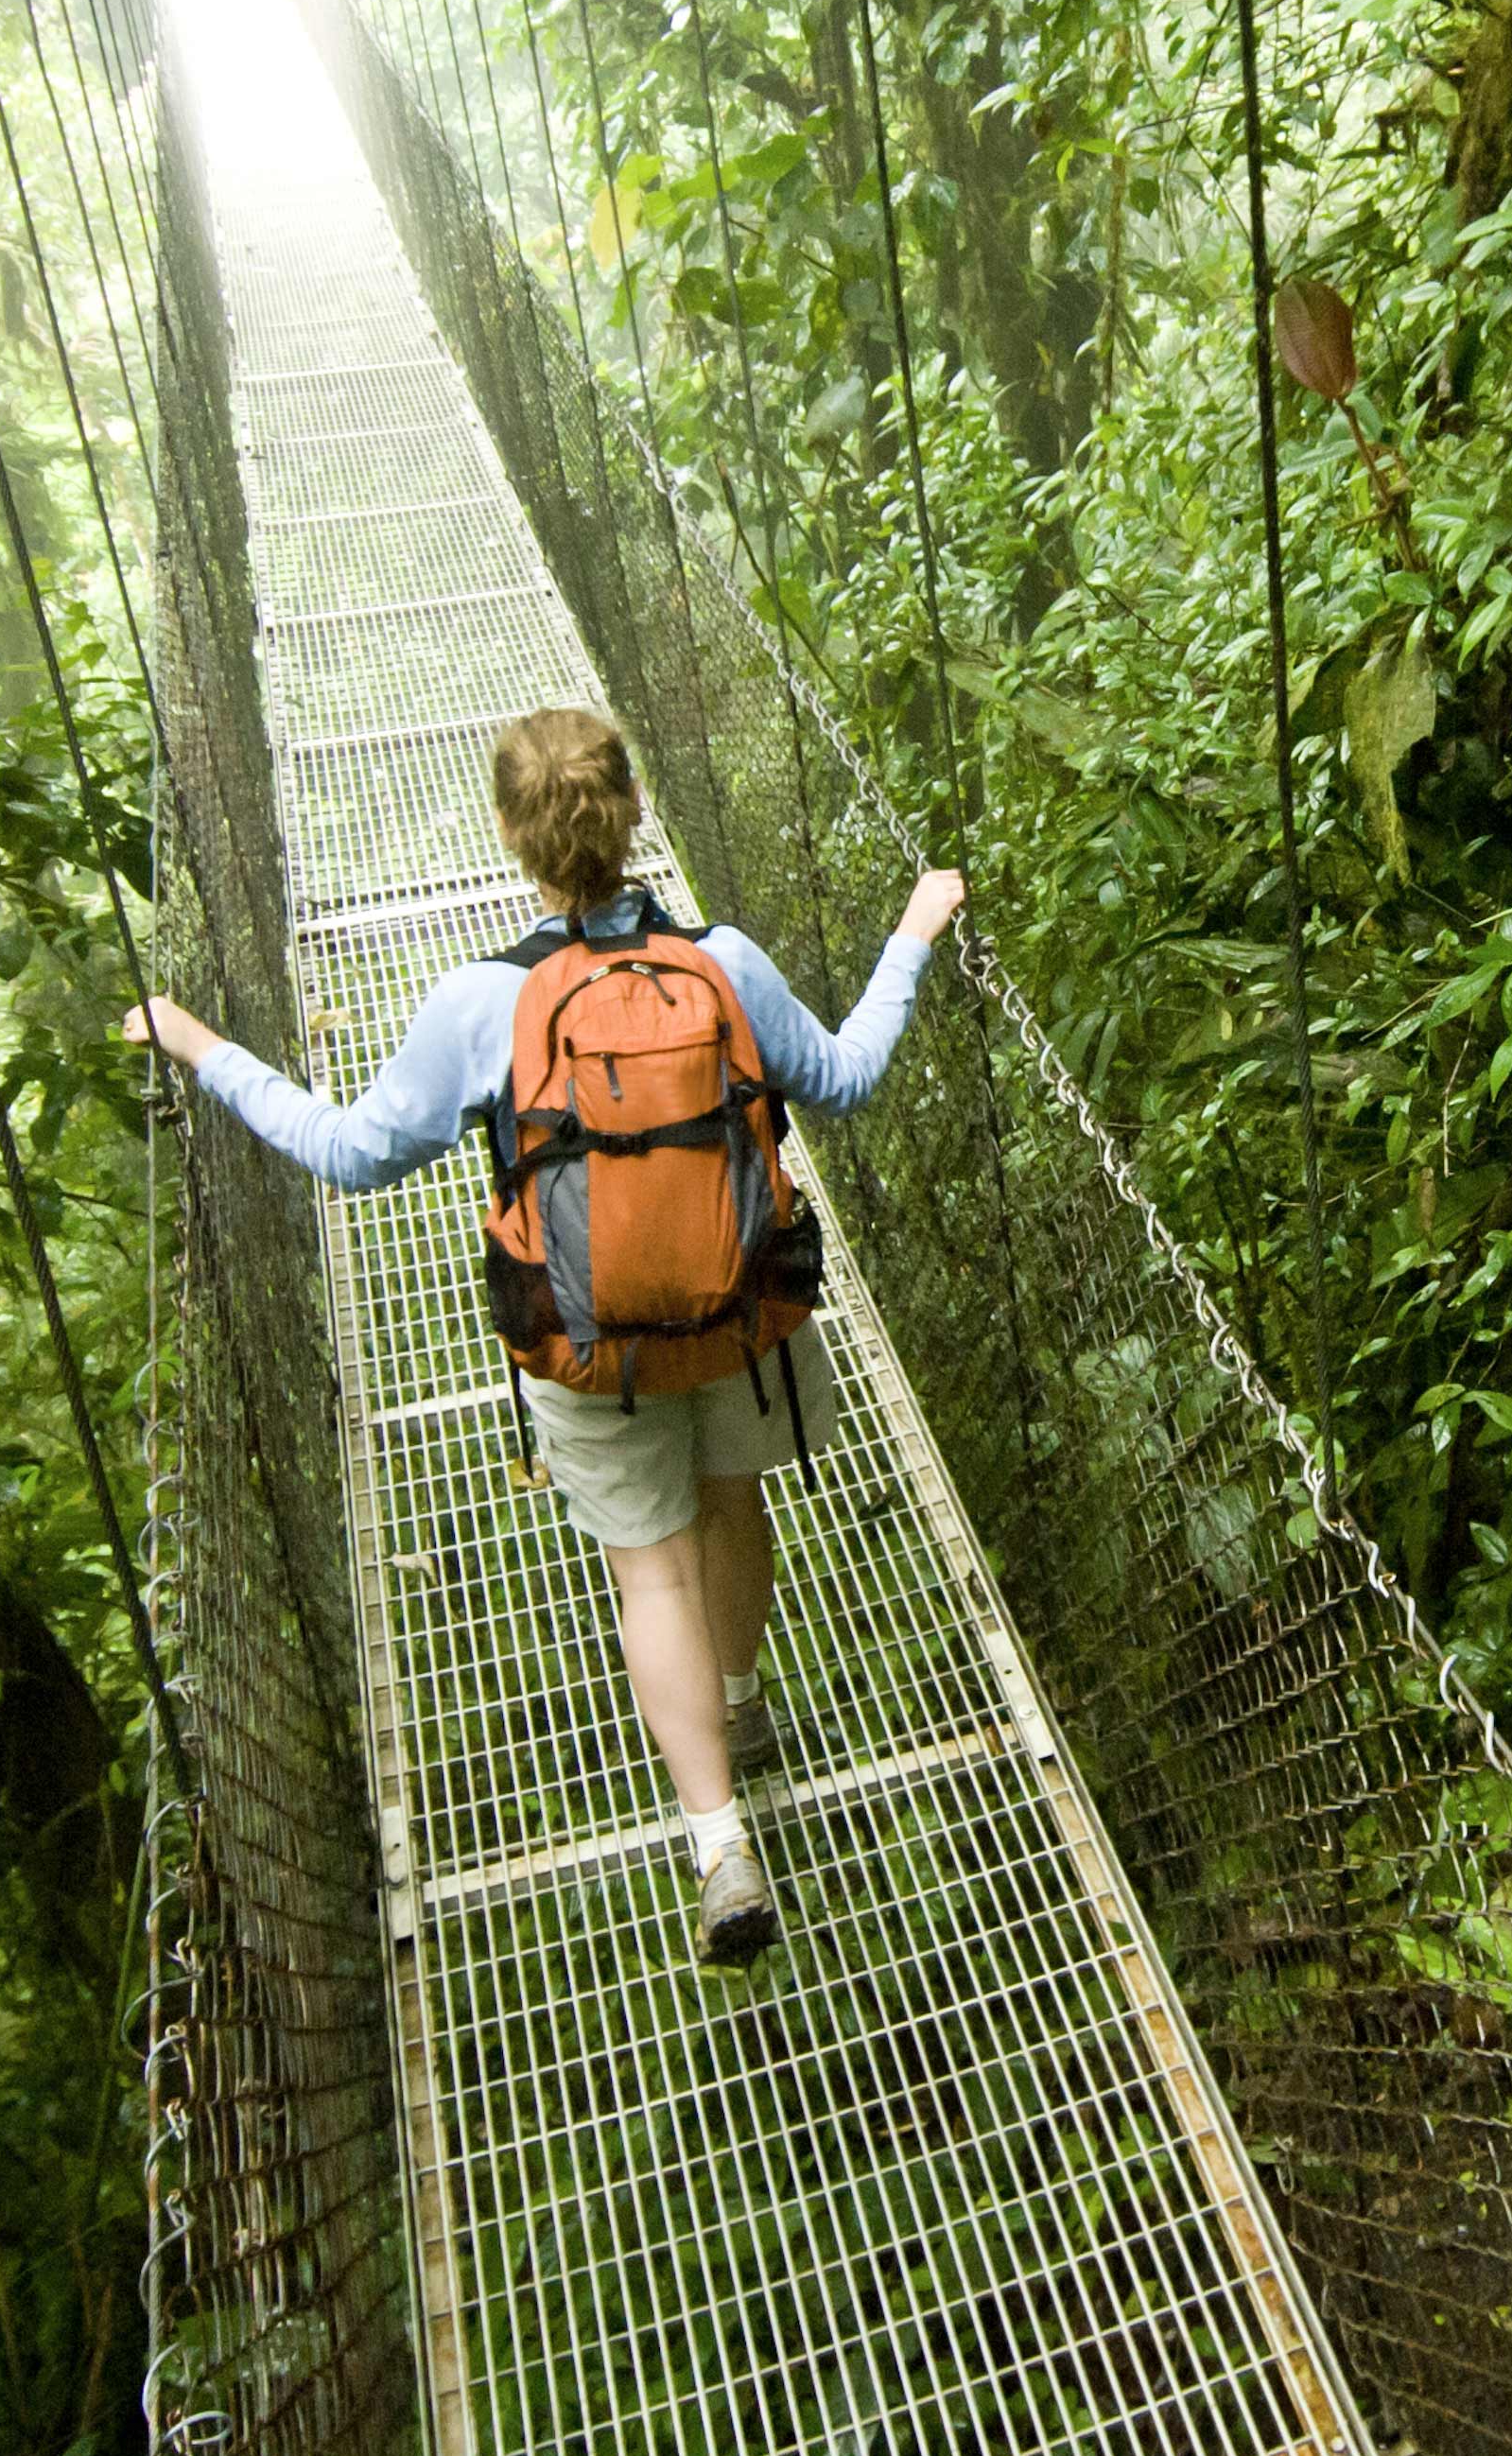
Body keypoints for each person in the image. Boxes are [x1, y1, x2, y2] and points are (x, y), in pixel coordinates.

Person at [125, 707, 962, 1968]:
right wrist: (910, 935)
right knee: (730, 1502)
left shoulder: (481, 1005)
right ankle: (738, 1706)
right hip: (742, 1311)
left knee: (652, 1570)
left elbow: (352, 1156)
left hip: (586, 1349)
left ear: (514, 840)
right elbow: (841, 1077)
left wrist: (201, 1047)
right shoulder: (723, 961)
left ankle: (719, 1840)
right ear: (632, 812)